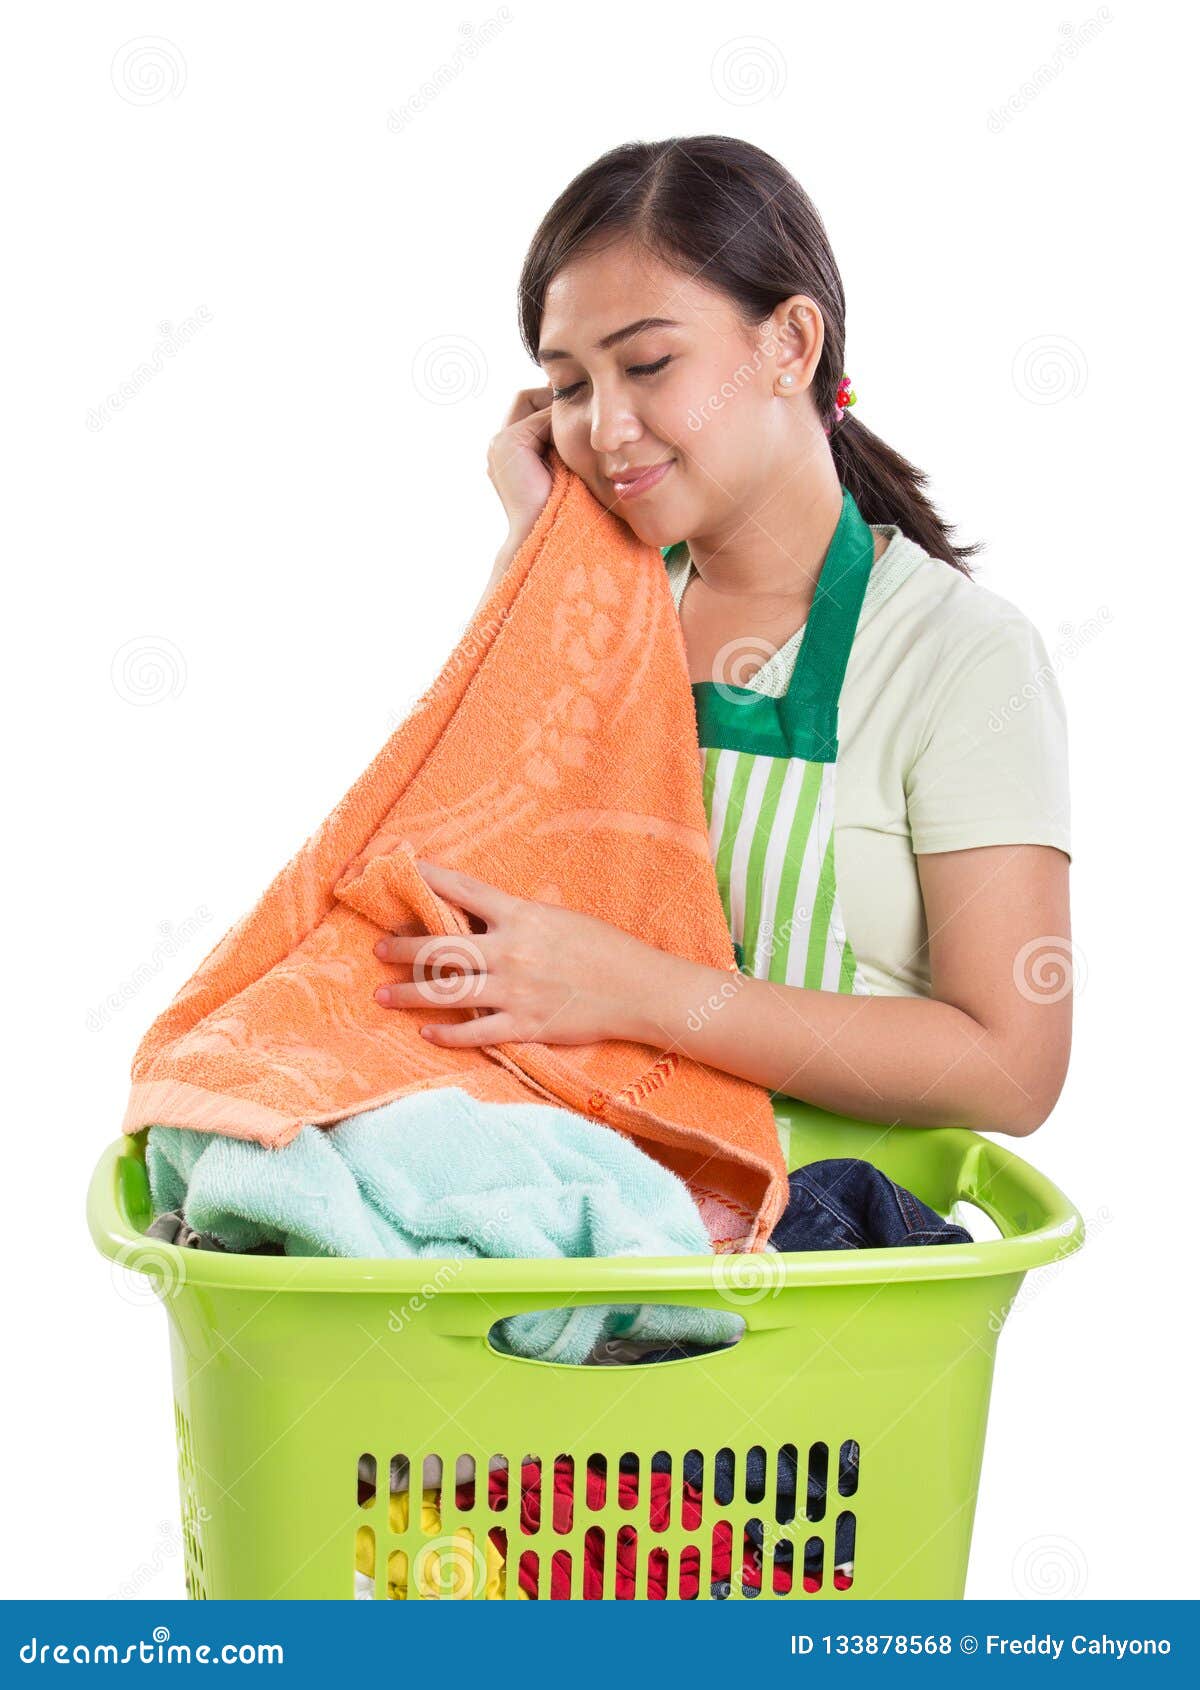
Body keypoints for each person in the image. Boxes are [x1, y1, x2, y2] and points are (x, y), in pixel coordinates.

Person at [373, 136, 1072, 1138]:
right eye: (569, 386)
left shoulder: (957, 656)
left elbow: (1014, 1070)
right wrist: (536, 557)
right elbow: (435, 878)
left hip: (838, 1245)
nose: (606, 426)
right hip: (584, 1203)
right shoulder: (593, 613)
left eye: (649, 364)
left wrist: (641, 991)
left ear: (790, 344)